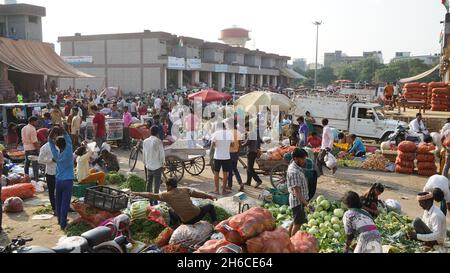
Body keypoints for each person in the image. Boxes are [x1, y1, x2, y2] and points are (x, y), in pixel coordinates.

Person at [132, 178, 218, 228]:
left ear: (169, 186)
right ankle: (215, 222)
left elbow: (150, 195)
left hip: (187, 221)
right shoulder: (185, 189)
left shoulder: (166, 195)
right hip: (198, 215)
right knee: (210, 206)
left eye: (166, 186)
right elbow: (198, 194)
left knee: (170, 210)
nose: (166, 187)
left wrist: (137, 193)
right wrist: (209, 196)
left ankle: (176, 226)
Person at [48, 126, 74, 230]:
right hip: (67, 181)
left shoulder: (56, 153)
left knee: (58, 201)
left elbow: (50, 142)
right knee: (65, 203)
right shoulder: (68, 152)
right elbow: (68, 138)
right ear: (65, 144)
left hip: (58, 180)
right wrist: (61, 128)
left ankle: (59, 220)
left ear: (57, 145)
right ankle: (63, 224)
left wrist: (52, 131)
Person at [287, 148, 310, 237]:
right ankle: (292, 242)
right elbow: (297, 192)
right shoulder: (294, 172)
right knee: (298, 224)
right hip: (298, 202)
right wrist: (306, 204)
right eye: (302, 158)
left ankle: (289, 238)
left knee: (295, 221)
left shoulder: (296, 167)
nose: (304, 160)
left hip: (300, 200)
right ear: (296, 158)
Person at [143, 126, 165, 203]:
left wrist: (145, 163)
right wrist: (163, 164)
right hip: (157, 166)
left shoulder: (145, 141)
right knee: (156, 184)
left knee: (149, 183)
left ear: (150, 132)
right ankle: (155, 200)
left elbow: (144, 154)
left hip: (148, 165)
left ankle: (148, 199)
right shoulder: (158, 141)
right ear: (157, 133)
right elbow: (162, 154)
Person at [210, 121, 233, 195]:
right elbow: (232, 144)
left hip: (217, 156)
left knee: (216, 173)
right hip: (226, 156)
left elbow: (213, 145)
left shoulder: (216, 134)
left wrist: (217, 146)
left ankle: (217, 190)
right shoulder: (229, 133)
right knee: (225, 173)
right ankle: (223, 190)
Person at [38, 140, 57, 215]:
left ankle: (65, 207)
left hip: (61, 171)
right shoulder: (45, 147)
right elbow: (40, 160)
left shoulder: (60, 143)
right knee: (52, 191)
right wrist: (51, 160)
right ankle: (54, 208)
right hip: (50, 172)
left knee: (61, 191)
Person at [242, 122, 264, 188]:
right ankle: (248, 182)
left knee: (250, 168)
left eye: (246, 127)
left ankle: (258, 180)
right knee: (249, 167)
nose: (245, 129)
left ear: (248, 127)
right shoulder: (254, 132)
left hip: (251, 152)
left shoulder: (251, 133)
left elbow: (247, 142)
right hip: (253, 151)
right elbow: (260, 140)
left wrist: (240, 145)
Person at [227, 118, 244, 192]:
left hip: (229, 153)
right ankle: (240, 184)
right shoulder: (238, 132)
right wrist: (237, 150)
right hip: (235, 153)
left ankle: (229, 185)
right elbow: (240, 144)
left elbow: (228, 143)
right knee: (235, 169)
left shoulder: (228, 132)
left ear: (230, 124)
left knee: (229, 170)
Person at [22, 116, 40, 181]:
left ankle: (26, 177)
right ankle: (36, 179)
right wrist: (38, 149)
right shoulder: (32, 129)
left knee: (27, 163)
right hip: (32, 148)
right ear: (32, 121)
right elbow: (34, 141)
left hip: (26, 148)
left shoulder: (23, 128)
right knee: (35, 165)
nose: (37, 123)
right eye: (36, 121)